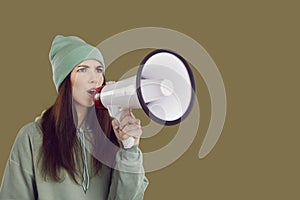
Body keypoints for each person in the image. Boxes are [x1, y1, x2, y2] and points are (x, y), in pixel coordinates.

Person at [0, 35, 148, 200]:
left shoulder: (113, 135)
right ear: (65, 80)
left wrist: (129, 149)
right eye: (83, 69)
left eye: (99, 69)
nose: (94, 78)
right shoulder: (32, 137)